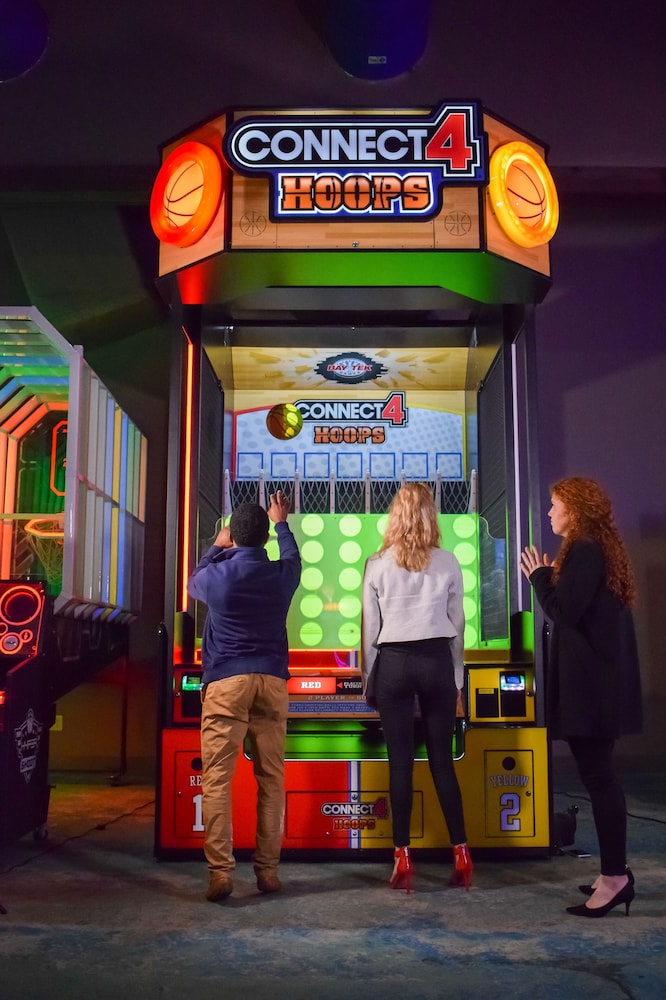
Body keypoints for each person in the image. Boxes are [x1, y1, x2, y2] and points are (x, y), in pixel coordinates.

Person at [520, 476, 642, 918]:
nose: (550, 512)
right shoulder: (590, 549)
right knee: (600, 777)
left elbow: (564, 611)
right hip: (596, 689)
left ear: (575, 508)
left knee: (599, 779)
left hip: (592, 692)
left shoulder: (586, 549)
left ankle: (614, 879)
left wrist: (539, 578)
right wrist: (554, 576)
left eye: (555, 505)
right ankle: (615, 873)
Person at [187, 491, 301, 902]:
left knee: (217, 780)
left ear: (232, 537)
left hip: (225, 683)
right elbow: (292, 556)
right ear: (266, 538)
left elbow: (194, 577)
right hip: (271, 682)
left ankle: (221, 874)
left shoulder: (216, 576)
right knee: (271, 779)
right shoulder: (282, 575)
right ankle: (267, 872)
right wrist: (282, 521)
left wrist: (217, 545)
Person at [361, 482, 472, 893]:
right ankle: (462, 852)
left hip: (393, 662)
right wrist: (456, 678)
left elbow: (370, 630)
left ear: (394, 516)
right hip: (436, 660)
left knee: (400, 764)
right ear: (431, 516)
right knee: (442, 762)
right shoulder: (448, 562)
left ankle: (402, 857)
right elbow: (457, 626)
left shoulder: (376, 564)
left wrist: (369, 679)